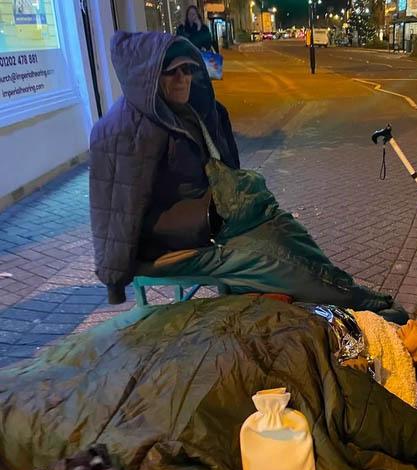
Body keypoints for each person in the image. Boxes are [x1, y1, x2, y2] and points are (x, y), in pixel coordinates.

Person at [89, 31, 394, 315]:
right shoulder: (122, 132)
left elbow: (224, 166)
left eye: (188, 69)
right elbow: (114, 209)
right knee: (276, 263)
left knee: (289, 232)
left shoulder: (191, 111)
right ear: (150, 76)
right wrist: (114, 279)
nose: (183, 79)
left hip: (215, 219)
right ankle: (362, 306)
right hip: (174, 243)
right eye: (171, 72)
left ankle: (349, 291)